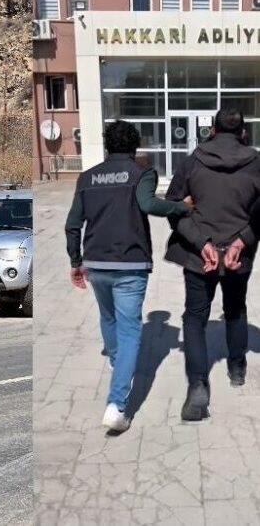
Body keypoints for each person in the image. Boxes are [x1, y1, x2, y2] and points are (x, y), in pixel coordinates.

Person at [66, 120, 192, 432]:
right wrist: (182, 207)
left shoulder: (86, 177)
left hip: (95, 262)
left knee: (108, 318)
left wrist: (76, 261)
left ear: (107, 146)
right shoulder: (141, 174)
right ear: (135, 146)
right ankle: (116, 405)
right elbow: (149, 204)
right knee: (129, 332)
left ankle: (116, 362)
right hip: (129, 265)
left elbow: (72, 224)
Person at [164, 108, 260, 421]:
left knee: (194, 317)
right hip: (238, 256)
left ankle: (197, 386)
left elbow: (173, 209)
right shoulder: (256, 163)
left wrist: (202, 243)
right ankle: (236, 368)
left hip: (197, 254)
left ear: (213, 131)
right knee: (235, 310)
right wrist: (240, 241)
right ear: (243, 133)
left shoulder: (193, 161)